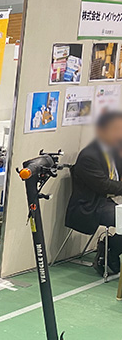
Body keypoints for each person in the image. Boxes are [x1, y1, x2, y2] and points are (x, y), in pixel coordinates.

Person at [66, 110, 122, 275]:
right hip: (93, 206)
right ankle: (110, 249)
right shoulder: (89, 156)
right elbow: (104, 186)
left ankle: (112, 246)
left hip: (114, 199)